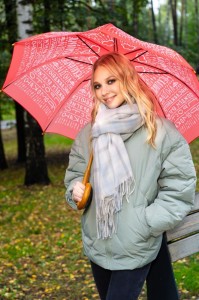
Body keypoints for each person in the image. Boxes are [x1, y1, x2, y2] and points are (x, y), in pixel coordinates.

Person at [64, 52, 196, 300]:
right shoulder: (89, 134)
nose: (104, 91)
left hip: (137, 243)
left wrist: (145, 223)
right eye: (97, 85)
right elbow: (75, 173)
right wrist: (75, 188)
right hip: (99, 243)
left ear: (128, 79)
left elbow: (180, 187)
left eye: (111, 81)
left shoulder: (160, 131)